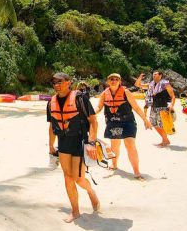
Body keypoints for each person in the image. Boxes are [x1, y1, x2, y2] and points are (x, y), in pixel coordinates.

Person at [47, 72, 100, 223]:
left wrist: (91, 143)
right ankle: (75, 211)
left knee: (78, 178)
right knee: (67, 177)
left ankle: (90, 192)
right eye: (54, 82)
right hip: (63, 143)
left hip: (80, 142)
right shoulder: (51, 102)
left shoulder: (80, 98)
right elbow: (52, 126)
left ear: (68, 82)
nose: (57, 84)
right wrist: (51, 145)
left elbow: (93, 121)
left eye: (60, 81)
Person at [96, 73, 153, 179]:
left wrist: (145, 120)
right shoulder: (104, 94)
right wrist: (93, 114)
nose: (114, 81)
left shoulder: (126, 92)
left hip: (128, 122)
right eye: (111, 79)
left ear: (120, 82)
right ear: (108, 82)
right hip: (113, 122)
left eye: (116, 79)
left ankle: (136, 171)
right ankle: (114, 164)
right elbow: (99, 107)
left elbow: (135, 107)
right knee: (115, 146)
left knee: (130, 145)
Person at [135, 71, 176, 147]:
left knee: (161, 125)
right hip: (153, 107)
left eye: (155, 74)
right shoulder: (151, 84)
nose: (153, 75)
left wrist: (171, 106)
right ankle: (165, 139)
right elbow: (137, 85)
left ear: (160, 75)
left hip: (162, 107)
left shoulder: (165, 84)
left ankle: (165, 140)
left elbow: (173, 96)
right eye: (153, 74)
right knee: (153, 124)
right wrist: (140, 77)